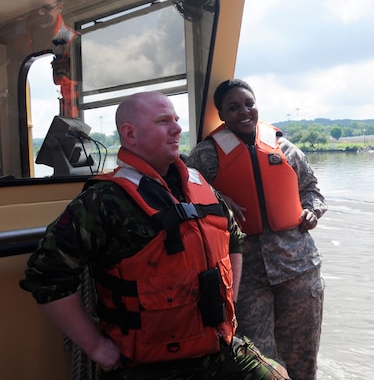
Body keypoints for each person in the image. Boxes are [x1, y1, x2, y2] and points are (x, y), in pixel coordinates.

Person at [20, 91, 290, 380]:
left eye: (176, 120)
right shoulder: (103, 202)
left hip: (219, 350)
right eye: (163, 122)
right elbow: (46, 276)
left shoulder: (198, 185)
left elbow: (233, 237)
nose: (176, 128)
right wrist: (96, 346)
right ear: (130, 134)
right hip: (150, 366)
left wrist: (229, 303)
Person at [186, 79, 327, 380]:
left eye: (249, 104)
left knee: (303, 355)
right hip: (245, 276)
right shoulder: (205, 156)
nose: (244, 112)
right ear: (222, 115)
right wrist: (219, 200)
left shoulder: (285, 148)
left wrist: (312, 211)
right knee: (259, 359)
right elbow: (185, 195)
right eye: (234, 108)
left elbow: (312, 190)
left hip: (299, 268)